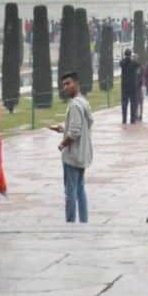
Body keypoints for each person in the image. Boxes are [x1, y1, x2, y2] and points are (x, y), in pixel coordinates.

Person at [49, 71, 93, 223]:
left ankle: (70, 224)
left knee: (70, 192)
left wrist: (62, 145)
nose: (65, 87)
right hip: (82, 154)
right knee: (80, 189)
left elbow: (75, 132)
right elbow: (84, 125)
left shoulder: (75, 105)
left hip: (73, 156)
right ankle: (83, 221)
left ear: (76, 83)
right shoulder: (83, 102)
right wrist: (62, 128)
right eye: (64, 85)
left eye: (68, 83)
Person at [118, 48, 141, 124]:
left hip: (124, 85)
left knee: (124, 103)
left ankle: (124, 119)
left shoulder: (122, 62)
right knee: (133, 103)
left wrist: (125, 58)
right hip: (132, 85)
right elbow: (138, 64)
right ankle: (132, 119)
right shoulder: (133, 62)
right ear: (130, 54)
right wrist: (133, 58)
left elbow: (120, 63)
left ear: (125, 54)